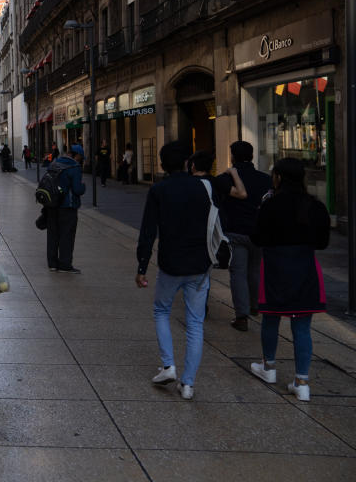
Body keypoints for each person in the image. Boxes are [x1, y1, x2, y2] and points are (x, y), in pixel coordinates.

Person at [136, 141, 215, 400]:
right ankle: (188, 383)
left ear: (161, 164)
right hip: (200, 264)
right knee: (195, 322)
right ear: (187, 163)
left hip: (171, 263)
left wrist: (142, 266)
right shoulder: (204, 187)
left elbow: (148, 232)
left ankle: (168, 365)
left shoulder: (159, 190)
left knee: (161, 310)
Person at [248, 158, 330, 402]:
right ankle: (302, 381)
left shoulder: (270, 204)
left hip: (275, 265)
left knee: (271, 318)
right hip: (305, 266)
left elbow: (257, 237)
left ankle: (269, 366)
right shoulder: (315, 206)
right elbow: (322, 242)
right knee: (302, 325)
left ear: (279, 178)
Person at [213, 141, 272, 332]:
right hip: (259, 232)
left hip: (235, 231)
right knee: (255, 270)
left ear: (232, 156)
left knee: (237, 273)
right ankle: (255, 306)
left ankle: (241, 316)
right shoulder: (265, 179)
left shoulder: (225, 178)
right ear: (252, 156)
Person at [44, 145, 86, 274]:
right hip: (67, 207)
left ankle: (52, 263)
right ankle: (65, 264)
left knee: (52, 235)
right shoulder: (75, 167)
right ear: (77, 155)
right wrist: (83, 186)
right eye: (80, 158)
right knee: (66, 235)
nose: (80, 160)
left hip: (51, 206)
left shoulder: (54, 164)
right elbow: (77, 189)